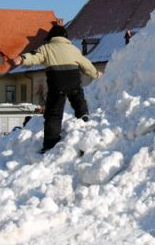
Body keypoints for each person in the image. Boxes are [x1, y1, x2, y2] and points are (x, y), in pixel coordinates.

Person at [12, 24, 101, 153]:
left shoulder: (46, 48)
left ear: (52, 37)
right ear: (65, 37)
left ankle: (50, 144)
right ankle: (83, 116)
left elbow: (34, 56)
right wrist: (96, 74)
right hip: (73, 81)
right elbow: (86, 64)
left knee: (53, 114)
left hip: (57, 84)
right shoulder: (73, 49)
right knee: (78, 98)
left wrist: (22, 59)